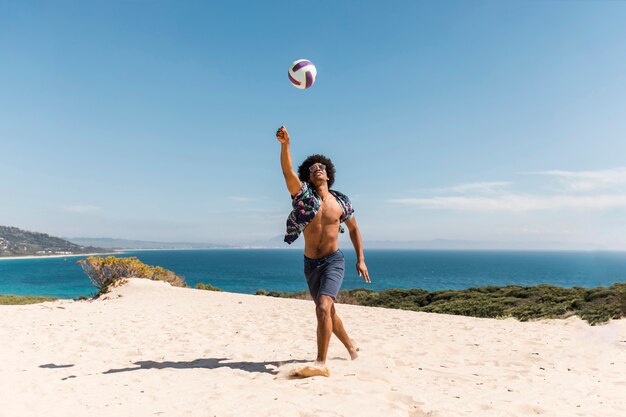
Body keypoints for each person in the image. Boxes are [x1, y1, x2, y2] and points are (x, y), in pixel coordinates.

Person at [276, 125, 371, 373]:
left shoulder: (342, 202)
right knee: (328, 310)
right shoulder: (303, 196)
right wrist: (286, 145)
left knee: (322, 307)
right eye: (312, 168)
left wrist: (360, 259)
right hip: (310, 264)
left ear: (328, 174)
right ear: (307, 177)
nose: (317, 169)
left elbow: (353, 230)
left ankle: (320, 363)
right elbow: (287, 171)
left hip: (333, 261)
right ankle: (350, 347)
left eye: (321, 167)